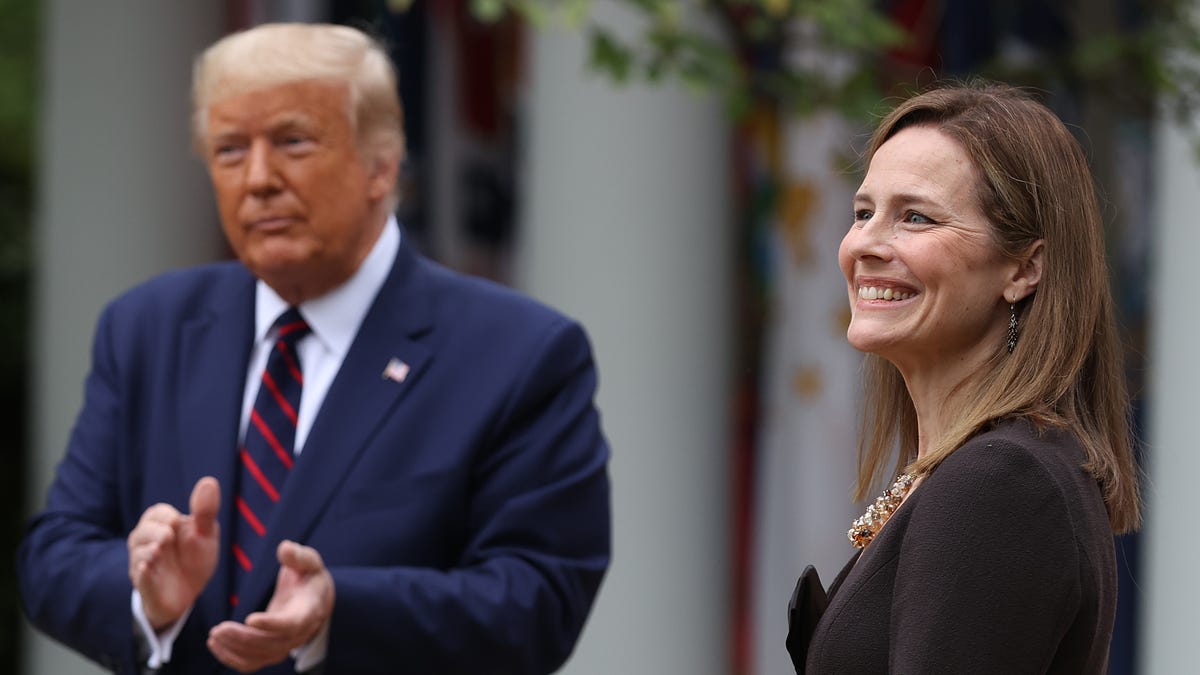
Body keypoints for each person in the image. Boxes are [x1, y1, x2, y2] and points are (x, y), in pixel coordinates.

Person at [18, 22, 611, 675]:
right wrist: (147, 597)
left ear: (382, 164)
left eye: (293, 142)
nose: (260, 178)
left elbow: (539, 600)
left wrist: (341, 610)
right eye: (229, 150)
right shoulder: (147, 329)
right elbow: (55, 555)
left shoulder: (519, 353)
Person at [785, 82, 1141, 674]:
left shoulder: (1003, 481)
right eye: (863, 212)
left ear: (1025, 267)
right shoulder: (982, 468)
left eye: (915, 217)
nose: (864, 245)